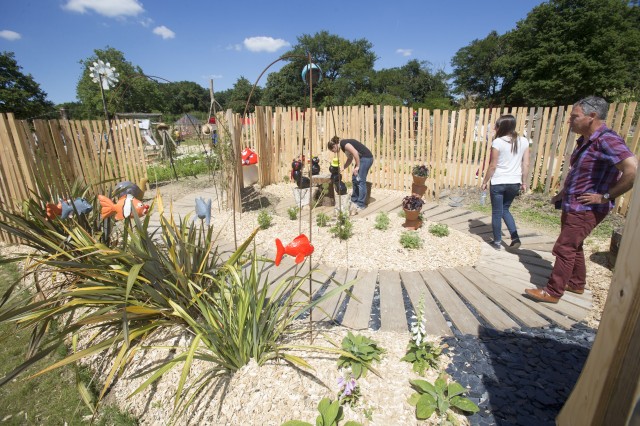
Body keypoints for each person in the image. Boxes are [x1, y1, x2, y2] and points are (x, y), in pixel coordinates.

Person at [525, 96, 637, 303]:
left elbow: (632, 170)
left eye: (574, 116)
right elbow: (578, 172)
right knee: (574, 245)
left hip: (587, 208)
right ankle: (576, 283)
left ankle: (552, 291)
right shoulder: (586, 140)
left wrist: (605, 196)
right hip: (573, 203)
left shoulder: (607, 140)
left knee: (565, 247)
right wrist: (563, 193)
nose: (570, 121)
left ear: (592, 116)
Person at [481, 114, 530, 250]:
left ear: (501, 127)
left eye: (496, 126)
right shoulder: (524, 141)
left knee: (497, 212)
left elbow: (493, 165)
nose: (495, 128)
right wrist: (524, 182)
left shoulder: (497, 142)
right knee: (505, 209)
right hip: (514, 182)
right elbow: (526, 164)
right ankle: (515, 238)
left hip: (499, 181)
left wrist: (485, 181)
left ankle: (497, 242)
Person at [328, 136, 374, 211]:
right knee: (354, 179)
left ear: (334, 146)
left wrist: (357, 166)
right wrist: (343, 167)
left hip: (366, 158)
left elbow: (355, 153)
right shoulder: (343, 147)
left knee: (360, 180)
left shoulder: (343, 143)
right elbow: (350, 158)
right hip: (361, 159)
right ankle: (354, 200)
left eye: (333, 150)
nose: (334, 152)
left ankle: (361, 204)